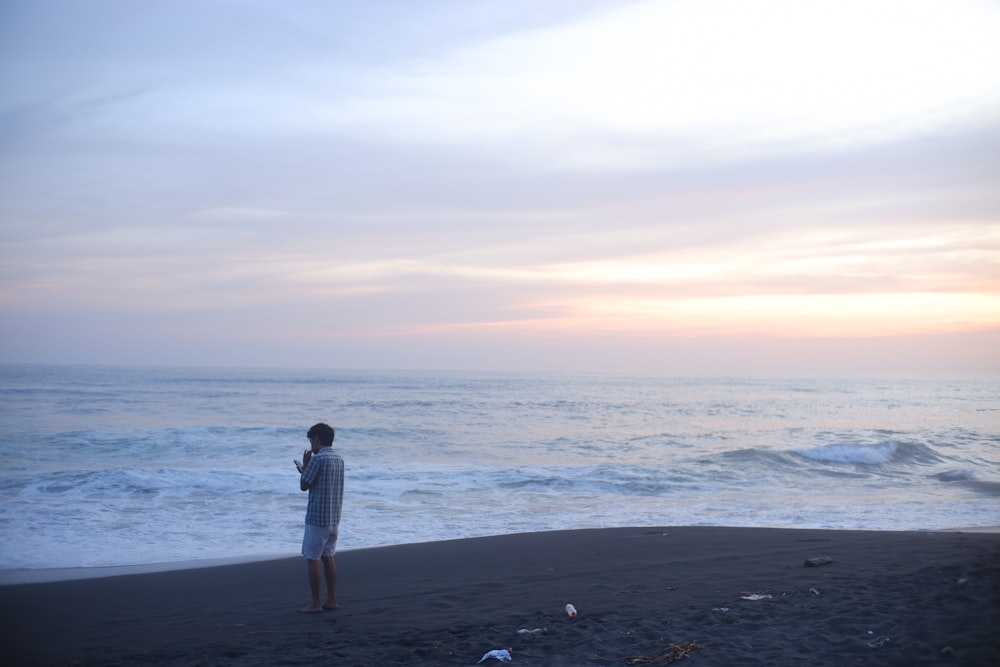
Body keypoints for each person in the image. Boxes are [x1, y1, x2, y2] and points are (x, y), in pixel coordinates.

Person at [298, 422, 345, 613]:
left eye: (311, 440)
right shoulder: (339, 459)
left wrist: (306, 465)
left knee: (313, 559)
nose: (311, 445)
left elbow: (304, 485)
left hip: (317, 518)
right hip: (334, 518)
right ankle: (331, 600)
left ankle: (316, 603)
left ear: (317, 439)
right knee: (328, 557)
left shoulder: (317, 460)